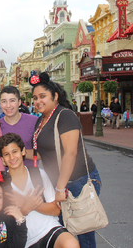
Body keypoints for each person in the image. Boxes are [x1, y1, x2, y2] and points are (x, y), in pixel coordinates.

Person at [30, 72, 101, 248]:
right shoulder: (41, 121)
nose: (38, 101)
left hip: (77, 181)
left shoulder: (65, 116)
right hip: (60, 184)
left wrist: (60, 188)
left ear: (55, 96)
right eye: (35, 98)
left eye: (42, 96)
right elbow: (41, 153)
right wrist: (14, 153)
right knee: (63, 230)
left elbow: (70, 153)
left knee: (82, 232)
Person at [0, 133, 79, 248]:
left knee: (71, 244)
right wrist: (24, 210)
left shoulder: (39, 174)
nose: (12, 157)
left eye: (15, 152)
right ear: (2, 159)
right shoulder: (2, 185)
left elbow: (56, 210)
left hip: (49, 229)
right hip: (24, 240)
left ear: (23, 151)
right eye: (6, 154)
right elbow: (3, 223)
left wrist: (27, 202)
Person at [0, 86, 39, 168]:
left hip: (31, 175)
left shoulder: (34, 122)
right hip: (6, 176)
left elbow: (43, 153)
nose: (8, 105)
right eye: (4, 101)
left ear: (19, 102)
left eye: (12, 101)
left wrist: (19, 152)